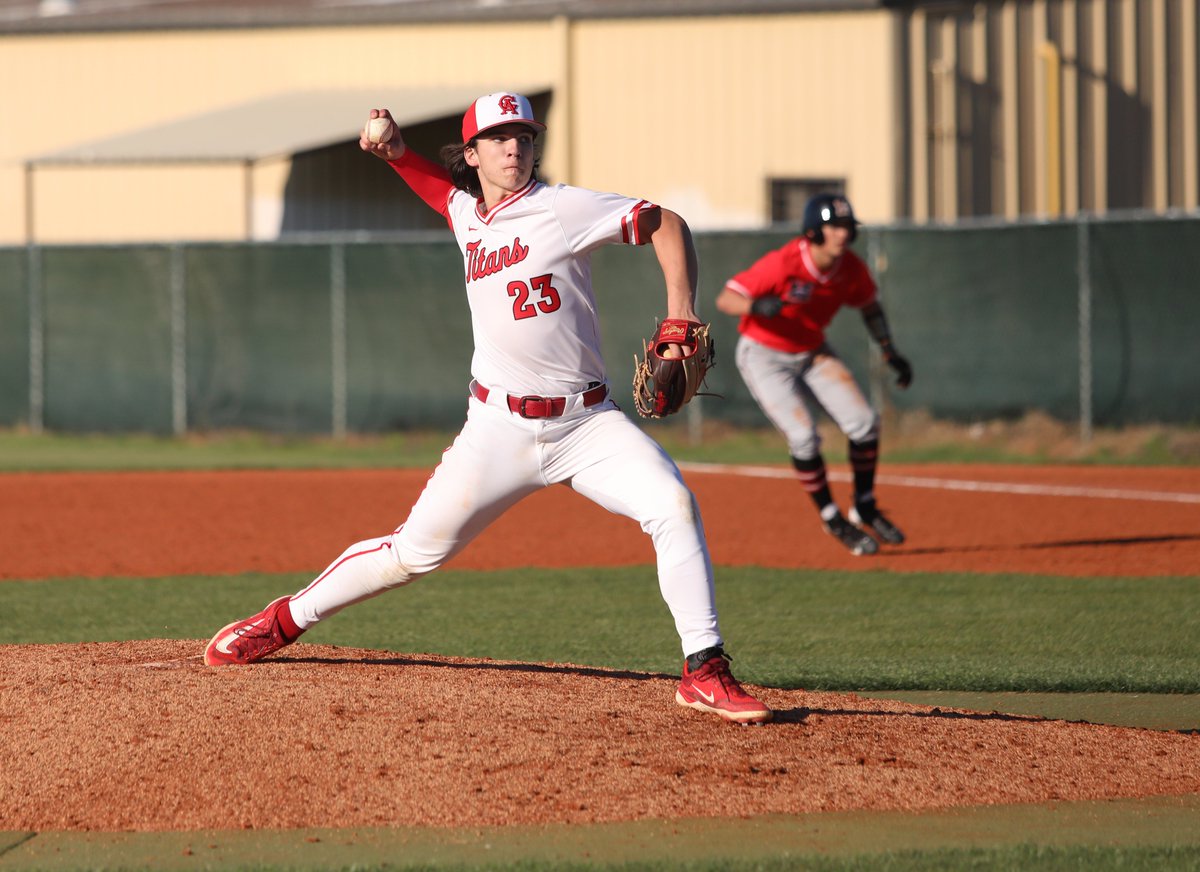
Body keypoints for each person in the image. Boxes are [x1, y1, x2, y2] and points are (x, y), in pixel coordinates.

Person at [204, 92, 771, 725]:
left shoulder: (561, 208)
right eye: (499, 138)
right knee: (412, 555)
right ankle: (281, 620)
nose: (514, 148)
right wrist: (394, 151)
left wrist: (681, 311)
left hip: (585, 424)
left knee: (671, 504)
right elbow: (435, 191)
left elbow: (664, 221)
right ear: (471, 155)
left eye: (524, 137)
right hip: (497, 428)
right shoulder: (468, 214)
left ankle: (704, 668)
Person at [714, 193, 913, 556]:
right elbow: (726, 298)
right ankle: (831, 516)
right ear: (812, 231)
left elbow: (870, 305)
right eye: (834, 227)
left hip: (812, 351)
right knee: (805, 437)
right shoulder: (784, 263)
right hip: (764, 355)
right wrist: (755, 305)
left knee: (865, 423)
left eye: (847, 227)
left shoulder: (850, 267)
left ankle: (865, 505)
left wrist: (889, 349)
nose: (842, 234)